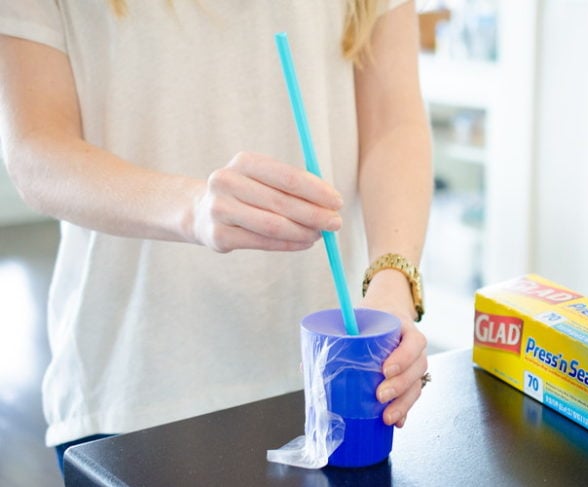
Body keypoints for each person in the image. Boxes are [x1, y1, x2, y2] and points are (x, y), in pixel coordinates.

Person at [0, 0, 432, 471]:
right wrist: (191, 208)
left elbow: (393, 124)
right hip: (132, 392)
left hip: (330, 391)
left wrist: (394, 282)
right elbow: (36, 151)